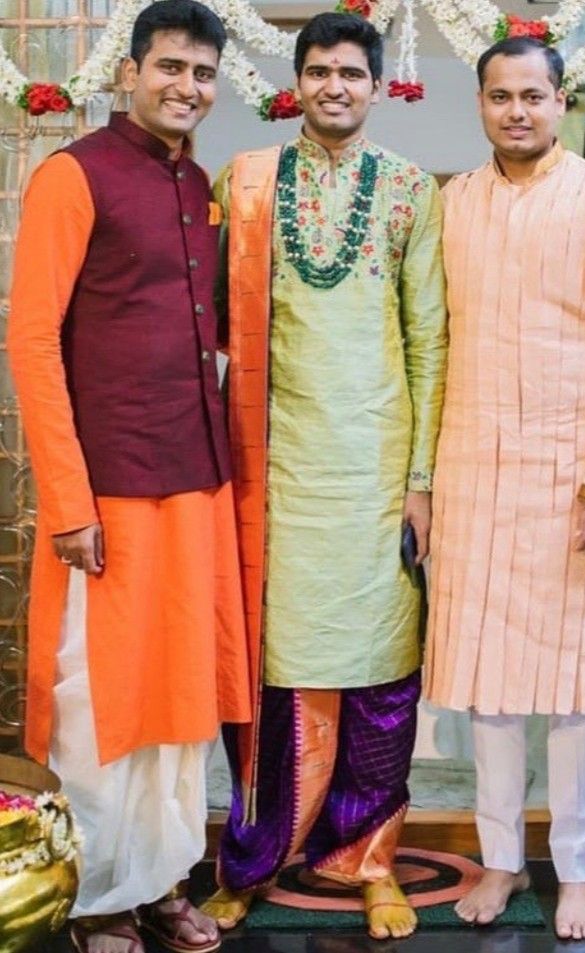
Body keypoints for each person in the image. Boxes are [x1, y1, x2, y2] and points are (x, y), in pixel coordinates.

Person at [7, 3, 252, 952]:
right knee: (101, 695)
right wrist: (67, 502)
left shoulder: (195, 185)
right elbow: (31, 342)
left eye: (201, 72)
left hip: (194, 481)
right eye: (170, 67)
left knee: (180, 693)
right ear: (130, 73)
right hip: (106, 492)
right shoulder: (74, 175)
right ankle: (98, 893)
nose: (186, 86)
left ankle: (161, 880)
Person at [200, 12, 448, 942]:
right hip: (277, 472)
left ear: (377, 85)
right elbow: (209, 328)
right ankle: (253, 860)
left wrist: (420, 479)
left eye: (350, 72)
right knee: (274, 676)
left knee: (383, 673)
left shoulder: (411, 190)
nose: (334, 86)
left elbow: (430, 338)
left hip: (379, 470)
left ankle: (369, 859)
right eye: (317, 71)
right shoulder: (248, 183)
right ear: (295, 82)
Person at [424, 37, 585, 942]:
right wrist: (427, 485)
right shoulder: (455, 204)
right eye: (498, 96)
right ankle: (499, 859)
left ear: (558, 102)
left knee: (569, 696)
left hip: (572, 480)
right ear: (479, 104)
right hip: (474, 471)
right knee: (486, 692)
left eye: (532, 95)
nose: (515, 110)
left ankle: (577, 873)